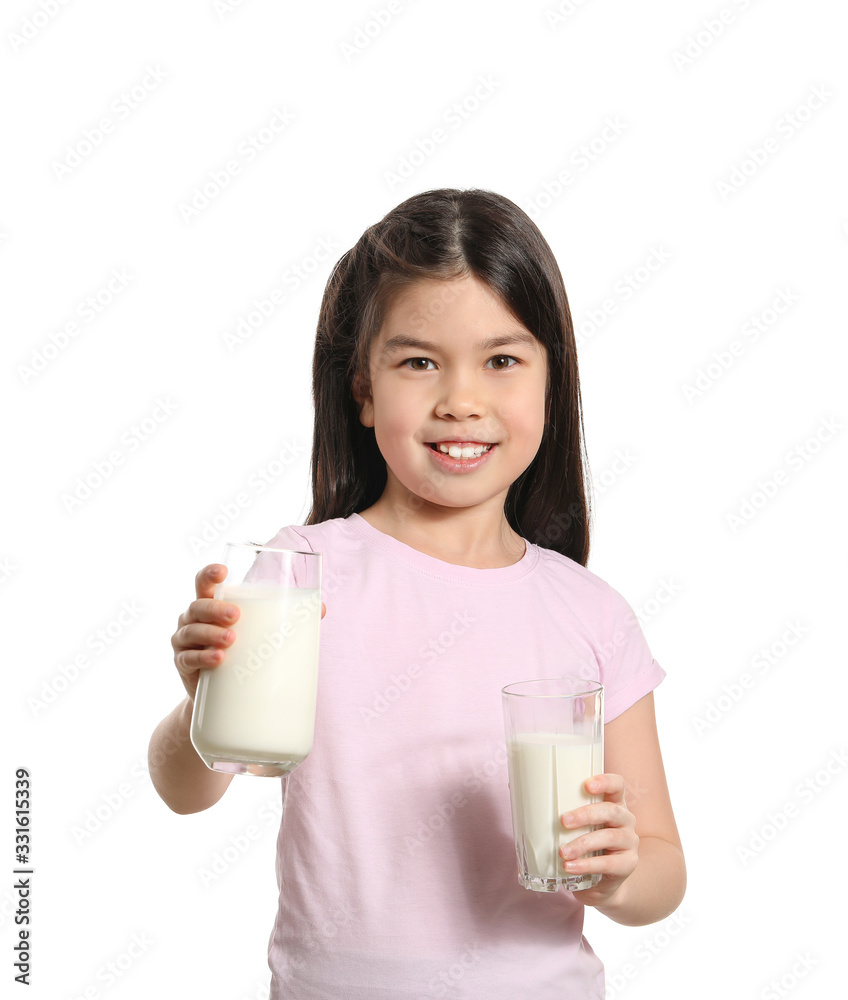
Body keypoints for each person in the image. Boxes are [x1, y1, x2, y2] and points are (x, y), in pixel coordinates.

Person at [149, 187, 686, 998]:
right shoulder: (302, 578)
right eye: (418, 361)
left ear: (551, 382)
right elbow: (186, 792)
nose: (460, 399)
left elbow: (663, 871)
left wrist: (617, 872)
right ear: (363, 391)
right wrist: (205, 701)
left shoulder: (590, 613)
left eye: (501, 361)